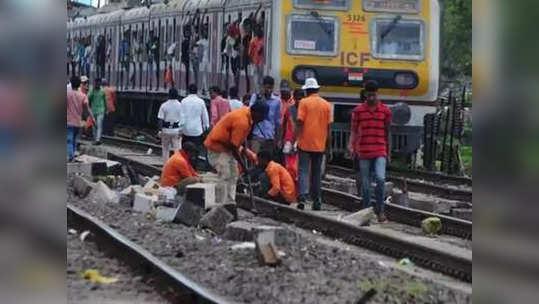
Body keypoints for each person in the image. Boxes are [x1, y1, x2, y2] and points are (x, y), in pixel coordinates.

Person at [204, 102, 268, 205]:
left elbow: (239, 140)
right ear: (256, 112)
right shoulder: (242, 121)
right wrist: (243, 166)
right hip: (218, 148)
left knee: (234, 174)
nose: (261, 120)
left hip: (228, 148)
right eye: (261, 117)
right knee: (225, 174)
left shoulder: (247, 114)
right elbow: (234, 147)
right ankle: (220, 203)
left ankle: (230, 202)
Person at [348, 81, 392, 223]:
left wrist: (389, 152)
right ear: (365, 94)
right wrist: (351, 145)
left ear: (377, 94)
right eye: (369, 95)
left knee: (380, 179)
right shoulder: (358, 111)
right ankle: (366, 212)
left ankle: (380, 210)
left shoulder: (385, 111)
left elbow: (388, 133)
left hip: (380, 150)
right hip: (363, 151)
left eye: (374, 95)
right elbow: (354, 131)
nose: (372, 98)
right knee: (365, 185)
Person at [295, 78, 332, 210]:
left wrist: (296, 138)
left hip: (304, 143)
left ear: (306, 91)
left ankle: (302, 198)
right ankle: (317, 200)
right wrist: (329, 146)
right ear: (317, 89)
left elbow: (300, 122)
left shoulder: (303, 102)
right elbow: (329, 128)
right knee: (316, 173)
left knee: (303, 170)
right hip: (320, 144)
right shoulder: (326, 105)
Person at [248, 76, 281, 154]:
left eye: (270, 88)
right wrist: (261, 98)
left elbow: (277, 121)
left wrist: (277, 139)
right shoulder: (255, 97)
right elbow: (250, 112)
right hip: (257, 134)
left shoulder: (276, 101)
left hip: (270, 136)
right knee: (255, 158)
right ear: (263, 87)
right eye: (266, 87)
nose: (268, 90)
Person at [67, 76, 93, 162]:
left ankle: (71, 156)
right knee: (74, 140)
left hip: (68, 121)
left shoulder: (67, 94)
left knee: (69, 140)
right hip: (77, 122)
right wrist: (92, 118)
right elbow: (87, 109)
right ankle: (72, 156)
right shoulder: (83, 95)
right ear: (79, 85)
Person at [281, 88, 304, 182]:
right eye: (297, 98)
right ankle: (290, 181)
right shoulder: (289, 109)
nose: (299, 100)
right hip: (289, 139)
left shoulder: (305, 110)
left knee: (298, 162)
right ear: (293, 98)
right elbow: (284, 124)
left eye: (301, 98)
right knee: (289, 163)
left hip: (301, 139)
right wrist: (281, 138)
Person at [158, 88, 184, 162]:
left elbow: (160, 119)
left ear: (168, 95)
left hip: (166, 130)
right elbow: (183, 119)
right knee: (177, 150)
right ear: (177, 95)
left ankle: (166, 166)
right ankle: (177, 165)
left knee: (165, 149)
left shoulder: (164, 105)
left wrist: (160, 130)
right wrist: (182, 130)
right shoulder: (180, 105)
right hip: (176, 130)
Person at [88, 78, 107, 145]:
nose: (97, 84)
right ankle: (95, 139)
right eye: (96, 83)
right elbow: (88, 99)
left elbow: (105, 101)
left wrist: (106, 109)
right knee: (94, 126)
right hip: (93, 111)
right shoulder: (92, 91)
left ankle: (98, 139)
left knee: (99, 125)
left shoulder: (102, 91)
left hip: (101, 110)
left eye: (98, 83)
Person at [248, 27, 265, 93]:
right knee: (257, 77)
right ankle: (258, 91)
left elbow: (250, 52)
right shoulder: (253, 41)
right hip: (255, 62)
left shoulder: (263, 40)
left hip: (261, 62)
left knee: (260, 77)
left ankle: (260, 90)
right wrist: (251, 61)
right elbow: (250, 52)